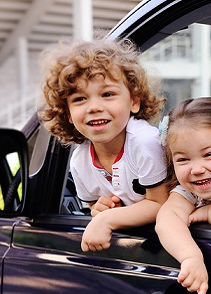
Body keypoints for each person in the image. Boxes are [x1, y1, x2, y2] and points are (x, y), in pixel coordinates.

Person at [39, 38, 168, 253]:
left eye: (107, 94)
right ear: (68, 113)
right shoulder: (80, 161)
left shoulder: (144, 142)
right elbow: (93, 206)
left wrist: (107, 220)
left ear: (134, 101)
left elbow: (160, 204)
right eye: (80, 99)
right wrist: (101, 210)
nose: (94, 107)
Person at [155, 97, 211, 294]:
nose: (197, 169)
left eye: (209, 154)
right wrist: (190, 257)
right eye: (183, 159)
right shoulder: (188, 191)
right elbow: (167, 219)